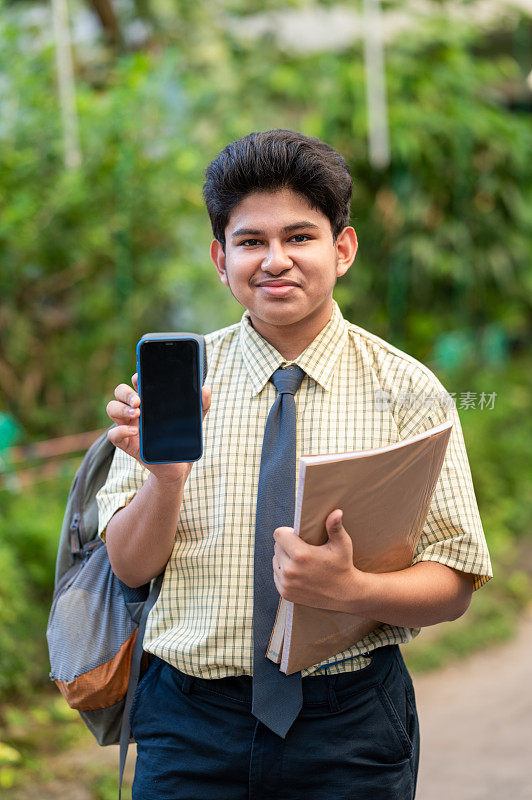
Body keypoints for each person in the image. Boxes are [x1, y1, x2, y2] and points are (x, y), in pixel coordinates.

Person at [96, 129, 493, 800]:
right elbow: (130, 568)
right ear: (221, 260)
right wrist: (165, 479)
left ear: (343, 249)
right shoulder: (172, 389)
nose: (275, 260)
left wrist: (352, 589)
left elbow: (454, 577)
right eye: (251, 242)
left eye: (300, 237)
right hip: (189, 722)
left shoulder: (410, 390)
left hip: (351, 725)